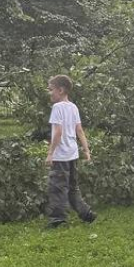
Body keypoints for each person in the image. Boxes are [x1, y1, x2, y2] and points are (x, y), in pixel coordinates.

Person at [45, 74, 96, 228]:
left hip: (60, 156)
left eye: (51, 89)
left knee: (57, 188)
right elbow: (79, 130)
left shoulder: (57, 107)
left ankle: (57, 219)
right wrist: (86, 150)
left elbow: (58, 132)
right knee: (73, 187)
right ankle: (86, 213)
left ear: (61, 90)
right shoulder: (73, 107)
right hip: (72, 154)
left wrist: (50, 153)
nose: (50, 93)